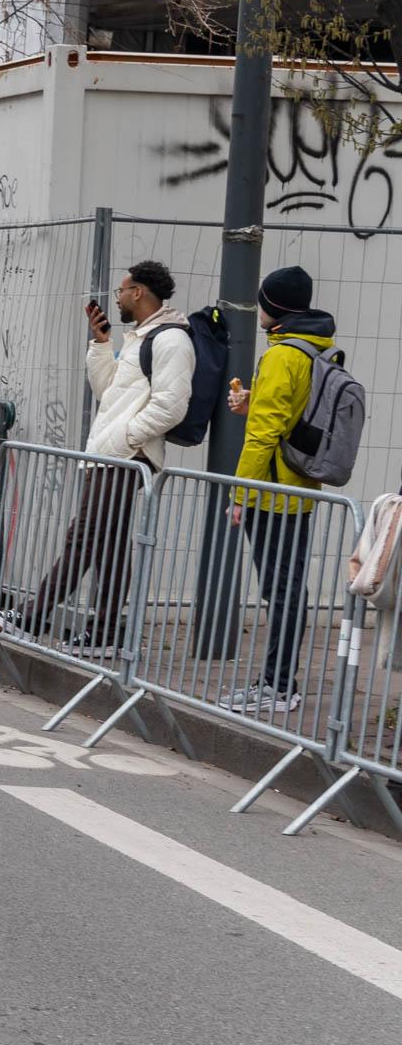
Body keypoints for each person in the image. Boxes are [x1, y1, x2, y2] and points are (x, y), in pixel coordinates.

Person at [0, 260, 192, 656]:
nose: (117, 298)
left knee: (83, 537)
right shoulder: (140, 337)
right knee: (109, 546)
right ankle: (105, 634)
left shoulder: (171, 340)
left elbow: (172, 406)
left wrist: (127, 437)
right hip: (113, 453)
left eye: (121, 291)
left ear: (138, 292)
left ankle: (30, 618)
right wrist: (101, 345)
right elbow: (108, 393)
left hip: (125, 455)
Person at [222, 266, 338, 716]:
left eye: (262, 302)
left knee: (282, 590)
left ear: (274, 307)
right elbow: (293, 413)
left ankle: (278, 685)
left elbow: (262, 436)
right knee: (287, 588)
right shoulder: (313, 349)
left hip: (273, 492)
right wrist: (254, 402)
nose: (259, 310)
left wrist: (241, 494)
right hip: (298, 489)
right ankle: (276, 682)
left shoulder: (281, 356)